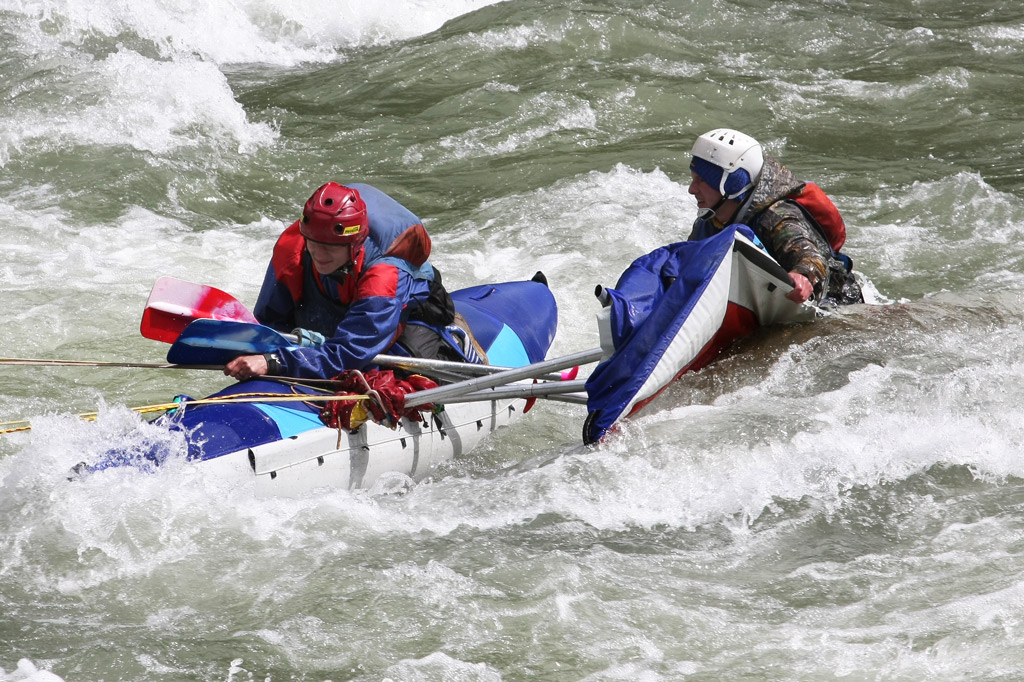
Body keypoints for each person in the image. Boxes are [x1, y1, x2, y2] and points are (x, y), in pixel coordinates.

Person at [224, 182, 460, 381]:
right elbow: (270, 323)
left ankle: (453, 345)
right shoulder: (293, 248)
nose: (319, 254)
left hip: (405, 314)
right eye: (314, 244)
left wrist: (275, 362)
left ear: (355, 245)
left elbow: (351, 353)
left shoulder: (384, 276)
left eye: (331, 248)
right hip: (343, 298)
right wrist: (256, 355)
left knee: (393, 373)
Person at [686, 128, 863, 306]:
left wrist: (802, 276)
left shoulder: (777, 217)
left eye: (701, 181)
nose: (692, 189)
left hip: (837, 305)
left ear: (731, 185)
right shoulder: (709, 221)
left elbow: (812, 258)